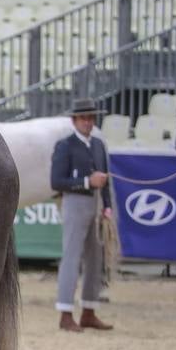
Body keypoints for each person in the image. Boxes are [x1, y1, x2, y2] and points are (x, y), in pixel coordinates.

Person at [50, 98, 114, 332]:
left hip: (95, 205)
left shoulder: (98, 144)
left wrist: (107, 206)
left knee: (95, 259)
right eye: (84, 118)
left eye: (91, 118)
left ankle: (89, 309)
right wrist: (87, 181)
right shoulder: (65, 145)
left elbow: (105, 178)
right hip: (75, 204)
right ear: (74, 120)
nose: (88, 122)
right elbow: (56, 181)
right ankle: (65, 312)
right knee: (72, 257)